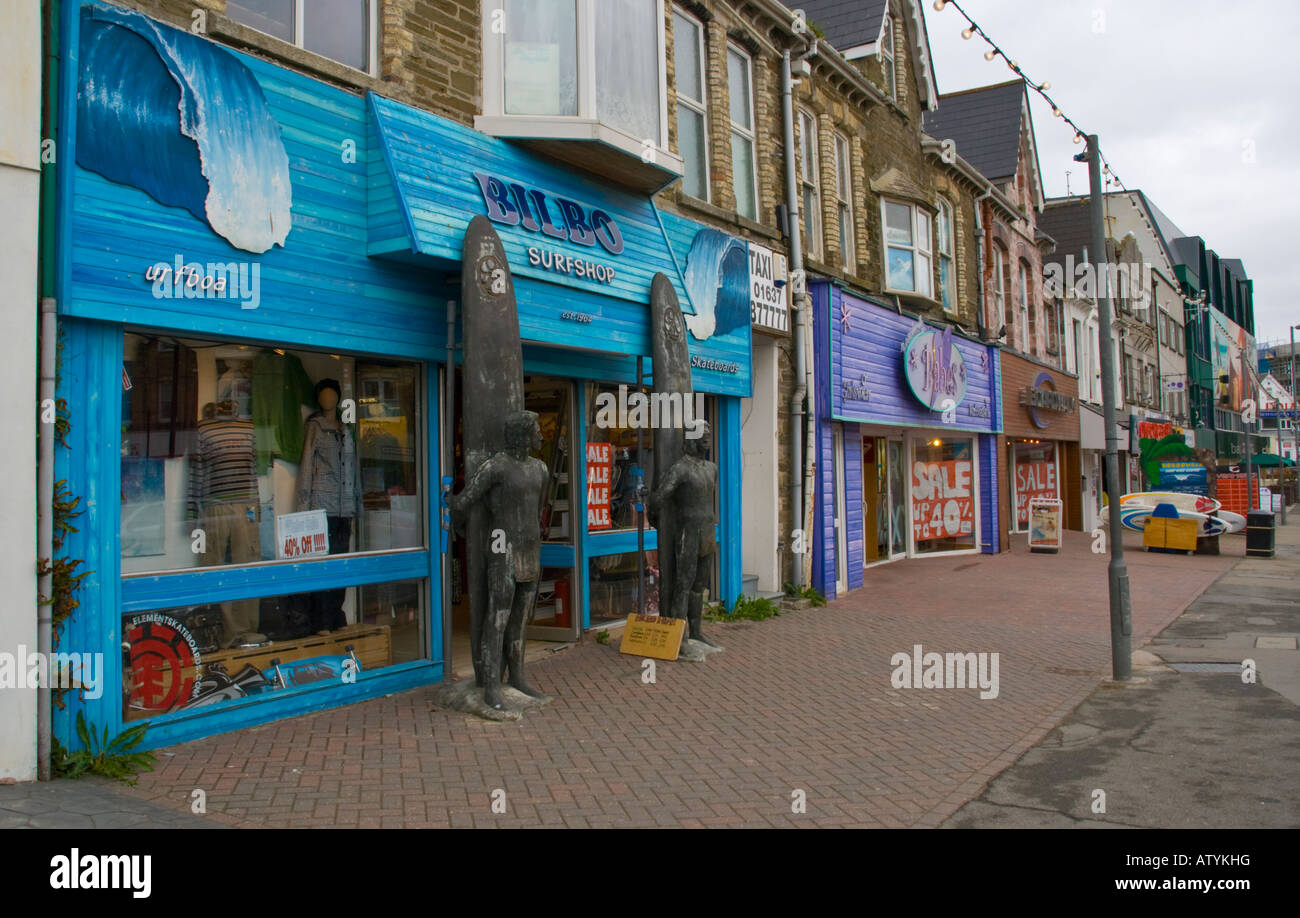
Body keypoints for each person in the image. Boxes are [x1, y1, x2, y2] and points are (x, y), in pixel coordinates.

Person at [448, 410, 549, 709]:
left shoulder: (541, 469)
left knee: (520, 618)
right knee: (499, 617)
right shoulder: (496, 467)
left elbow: (537, 509)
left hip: (530, 547)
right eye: (536, 429)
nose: (541, 434)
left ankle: (516, 675)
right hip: (502, 546)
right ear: (522, 434)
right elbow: (464, 501)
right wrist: (461, 527)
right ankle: (491, 683)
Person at [298, 378, 362, 632]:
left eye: (332, 395)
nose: (328, 400)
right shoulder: (315, 427)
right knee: (323, 563)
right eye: (323, 396)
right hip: (321, 505)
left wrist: (357, 505)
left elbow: (354, 468)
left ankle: (337, 615)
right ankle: (322, 619)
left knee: (342, 561)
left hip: (343, 506)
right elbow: (305, 464)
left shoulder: (346, 430)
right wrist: (303, 507)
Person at [649, 421, 719, 647]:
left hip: (708, 532)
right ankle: (678, 637)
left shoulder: (711, 468)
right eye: (702, 433)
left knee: (699, 586)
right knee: (684, 585)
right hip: (687, 534)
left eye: (708, 432)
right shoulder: (681, 468)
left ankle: (696, 631)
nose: (707, 436)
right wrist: (654, 520)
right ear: (691, 438)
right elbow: (659, 497)